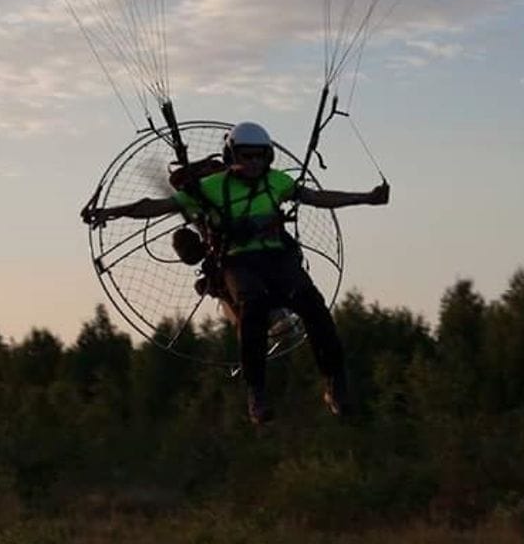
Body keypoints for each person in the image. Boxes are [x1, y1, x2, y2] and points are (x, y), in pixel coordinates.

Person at [83, 122, 389, 424]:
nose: (255, 163)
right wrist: (112, 211)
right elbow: (159, 205)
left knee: (313, 306)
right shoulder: (210, 188)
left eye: (261, 157)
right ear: (232, 156)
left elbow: (318, 198)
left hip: (277, 256)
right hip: (237, 261)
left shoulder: (278, 181)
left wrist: (364, 197)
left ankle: (335, 385)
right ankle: (257, 393)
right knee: (252, 306)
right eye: (248, 156)